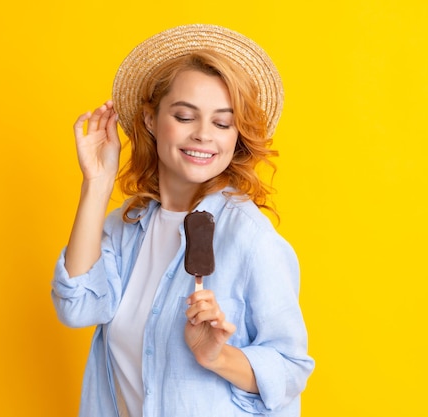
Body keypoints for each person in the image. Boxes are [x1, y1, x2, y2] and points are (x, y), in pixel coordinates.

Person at [51, 24, 314, 417]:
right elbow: (77, 308)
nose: (204, 135)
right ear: (151, 121)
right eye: (185, 116)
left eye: (222, 123)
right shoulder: (125, 228)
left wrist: (217, 356)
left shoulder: (250, 239)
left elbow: (291, 368)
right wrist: (97, 183)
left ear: (236, 136)